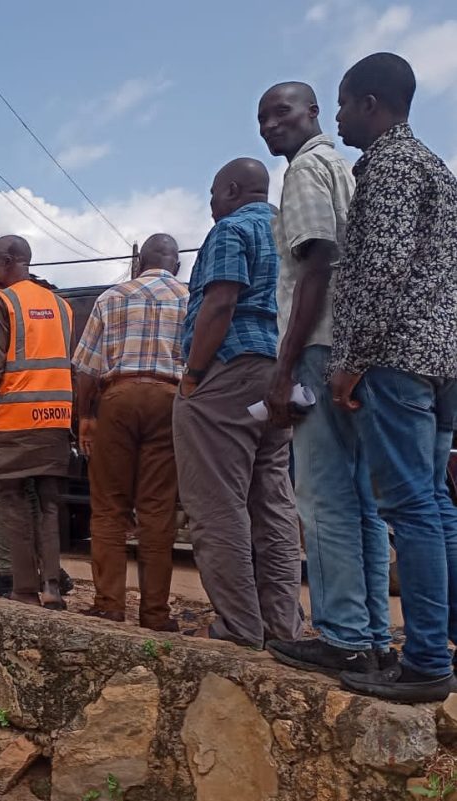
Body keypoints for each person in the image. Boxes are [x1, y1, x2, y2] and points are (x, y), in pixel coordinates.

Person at [328, 54, 457, 703]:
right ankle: (443, 643)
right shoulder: (436, 166)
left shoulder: (392, 165)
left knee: (408, 505)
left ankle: (428, 659)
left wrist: (350, 361)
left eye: (344, 102)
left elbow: (379, 271)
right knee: (433, 504)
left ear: (371, 102)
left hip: (397, 358)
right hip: (439, 361)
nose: (338, 115)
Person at [254, 81, 392, 676]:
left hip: (318, 347)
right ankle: (373, 637)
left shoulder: (306, 172)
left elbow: (317, 263)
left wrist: (284, 367)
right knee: (361, 500)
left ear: (312, 113)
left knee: (323, 497)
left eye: (280, 112)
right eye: (261, 118)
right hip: (353, 348)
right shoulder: (344, 169)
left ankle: (342, 636)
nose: (269, 125)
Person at [172, 158, 303, 649]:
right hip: (281, 373)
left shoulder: (231, 229)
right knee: (272, 502)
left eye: (211, 193)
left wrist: (194, 376)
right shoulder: (291, 229)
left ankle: (239, 628)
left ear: (230, 189)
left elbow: (221, 301)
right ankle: (282, 629)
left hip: (229, 371)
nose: (210, 204)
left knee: (216, 504)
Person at [73, 234, 188, 631]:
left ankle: (109, 606)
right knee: (158, 510)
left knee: (109, 506)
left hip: (118, 398)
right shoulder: (190, 298)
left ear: (140, 262)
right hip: (171, 400)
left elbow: (86, 368)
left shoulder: (111, 297)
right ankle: (156, 614)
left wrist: (85, 416)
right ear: (177, 264)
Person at [0, 235, 72, 608]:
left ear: (10, 261)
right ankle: (53, 587)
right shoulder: (62, 306)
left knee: (12, 499)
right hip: (57, 418)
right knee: (48, 502)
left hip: (14, 418)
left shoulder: (1, 304)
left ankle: (25, 590)